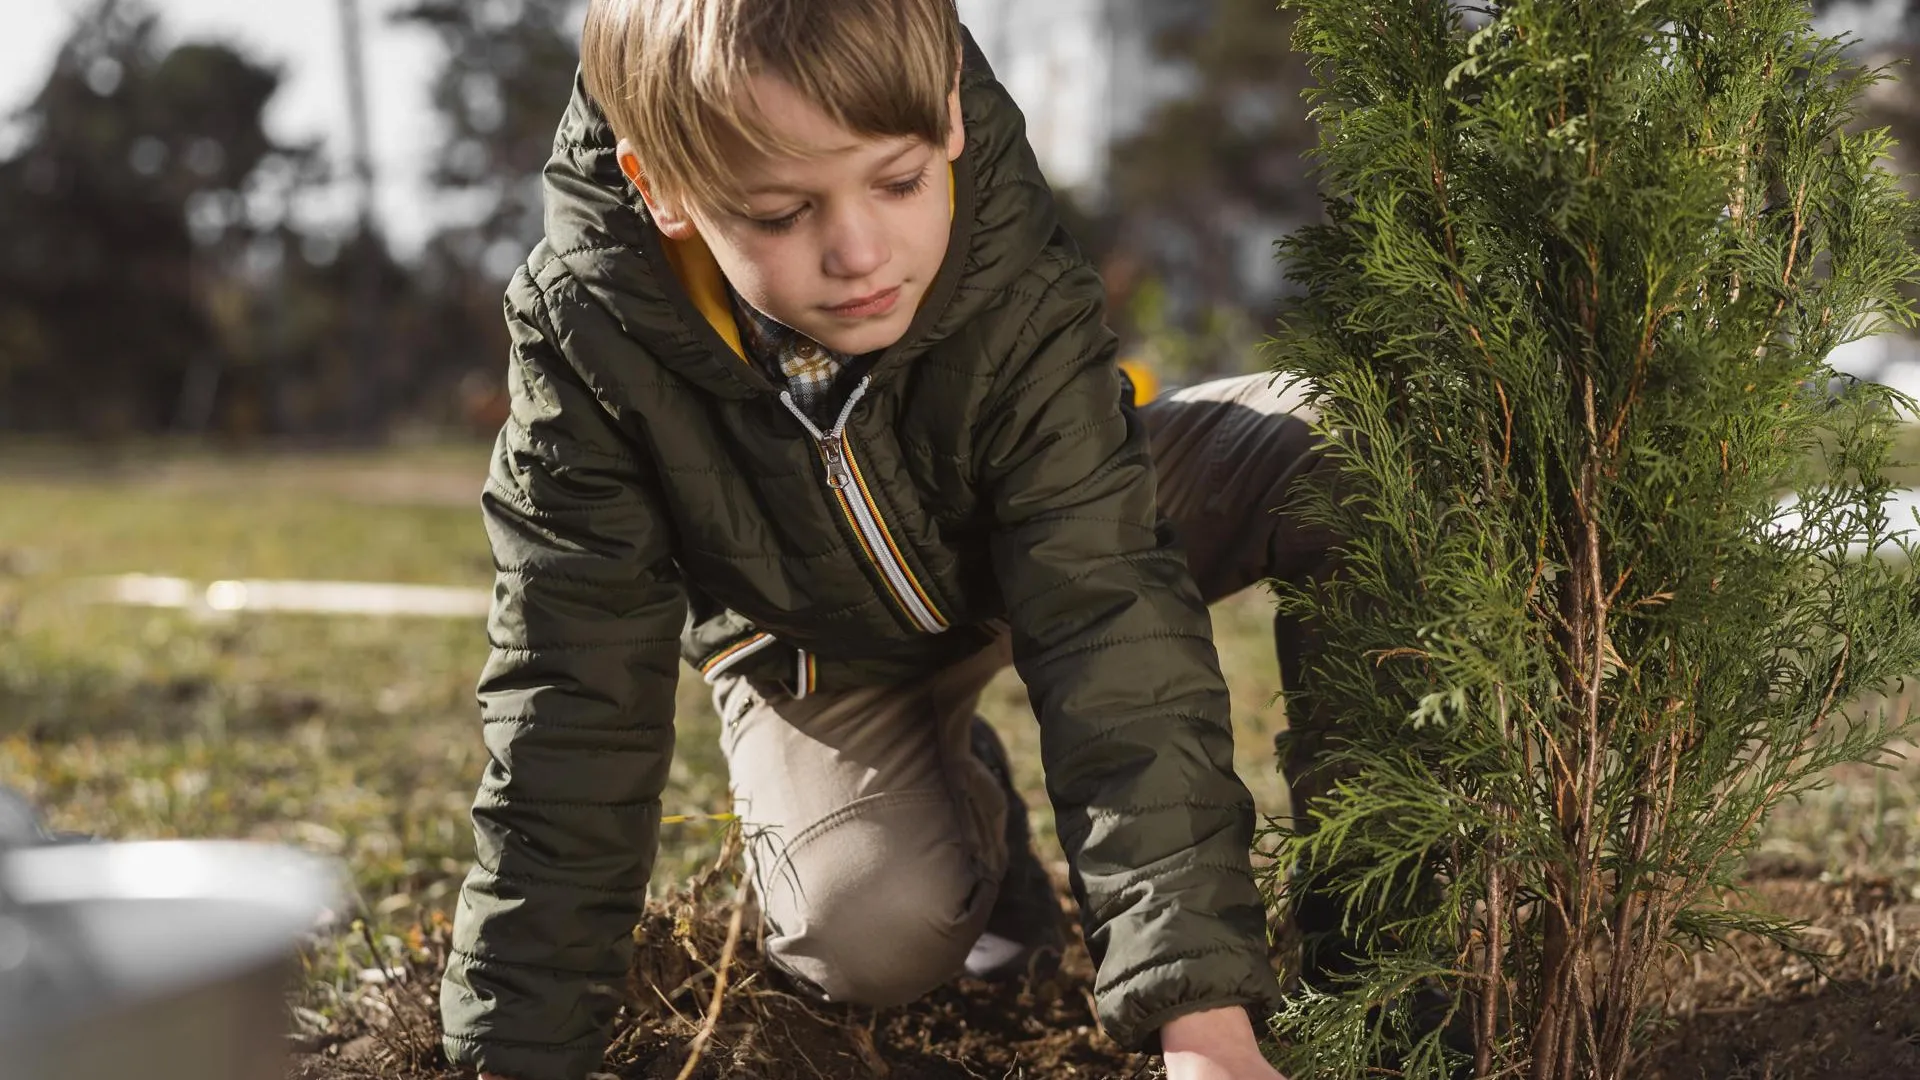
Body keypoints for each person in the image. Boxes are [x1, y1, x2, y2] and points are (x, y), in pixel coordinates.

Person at [440, 2, 1341, 1077]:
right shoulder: (588, 333)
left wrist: (1200, 1025)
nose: (860, 250)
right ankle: (960, 788)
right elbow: (571, 702)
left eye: (899, 182)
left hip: (1051, 533)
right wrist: (516, 1060)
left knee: (1339, 447)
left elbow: (1107, 609)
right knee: (865, 932)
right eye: (780, 212)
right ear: (660, 187)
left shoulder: (1003, 255)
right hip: (818, 642)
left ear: (949, 116)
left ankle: (1383, 969)